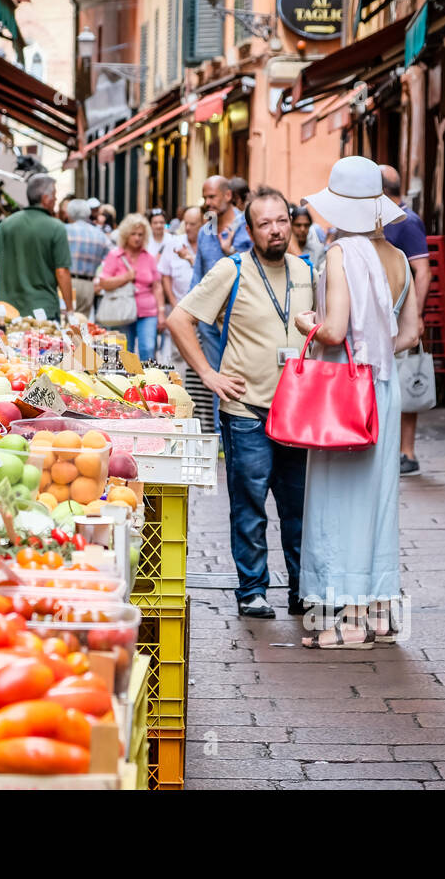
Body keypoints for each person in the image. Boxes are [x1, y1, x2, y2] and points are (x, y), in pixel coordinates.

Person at [168, 188, 315, 618]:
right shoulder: (231, 270)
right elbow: (179, 319)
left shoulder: (307, 271)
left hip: (297, 413)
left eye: (282, 220)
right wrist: (209, 375)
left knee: (300, 510)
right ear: (249, 231)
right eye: (265, 223)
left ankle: (302, 590)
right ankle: (252, 591)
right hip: (246, 411)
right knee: (249, 507)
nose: (276, 230)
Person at [295, 156, 421, 648]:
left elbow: (334, 330)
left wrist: (307, 324)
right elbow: (410, 333)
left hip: (343, 393)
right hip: (383, 391)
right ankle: (371, 614)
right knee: (377, 502)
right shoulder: (398, 259)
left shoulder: (340, 255)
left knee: (335, 502)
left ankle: (340, 626)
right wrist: (373, 353)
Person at [379, 165, 433, 476]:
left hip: (401, 313)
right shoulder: (387, 218)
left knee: (407, 377)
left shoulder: (407, 221)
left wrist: (418, 314)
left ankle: (407, 452)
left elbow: (422, 271)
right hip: (388, 312)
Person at [193, 175, 252, 428]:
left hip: (238, 314)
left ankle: (236, 428)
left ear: (228, 195)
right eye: (205, 197)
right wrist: (190, 308)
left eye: (212, 197)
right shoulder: (207, 228)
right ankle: (220, 432)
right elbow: (199, 268)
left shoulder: (246, 226)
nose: (207, 203)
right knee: (215, 375)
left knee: (237, 374)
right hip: (208, 317)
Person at [0, 174, 74, 320]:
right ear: (45, 198)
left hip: (9, 311)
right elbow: (62, 272)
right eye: (54, 195)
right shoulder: (56, 228)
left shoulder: (8, 223)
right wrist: (69, 309)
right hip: (43, 313)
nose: (55, 199)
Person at [96, 213, 165, 362]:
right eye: (133, 234)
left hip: (147, 311)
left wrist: (161, 312)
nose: (137, 238)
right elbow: (103, 283)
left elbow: (157, 286)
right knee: (126, 353)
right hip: (123, 311)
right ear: (126, 235)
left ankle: (150, 381)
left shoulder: (148, 257)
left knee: (148, 349)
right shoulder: (115, 255)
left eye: (140, 234)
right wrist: (125, 277)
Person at [157, 206, 201, 372]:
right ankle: (179, 388)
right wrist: (173, 301)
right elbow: (165, 276)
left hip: (204, 313)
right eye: (186, 224)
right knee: (178, 353)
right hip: (180, 306)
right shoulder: (174, 243)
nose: (188, 227)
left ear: (203, 224)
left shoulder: (210, 245)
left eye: (193, 224)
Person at [63, 197, 111, 317]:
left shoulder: (63, 230)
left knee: (65, 320)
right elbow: (110, 258)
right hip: (88, 285)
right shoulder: (99, 234)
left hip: (66, 281)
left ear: (69, 214)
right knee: (81, 322)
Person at [288, 205, 325, 272]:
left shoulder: (318, 250)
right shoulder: (283, 250)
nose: (302, 229)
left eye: (306, 225)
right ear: (290, 225)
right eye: (298, 225)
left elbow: (320, 278)